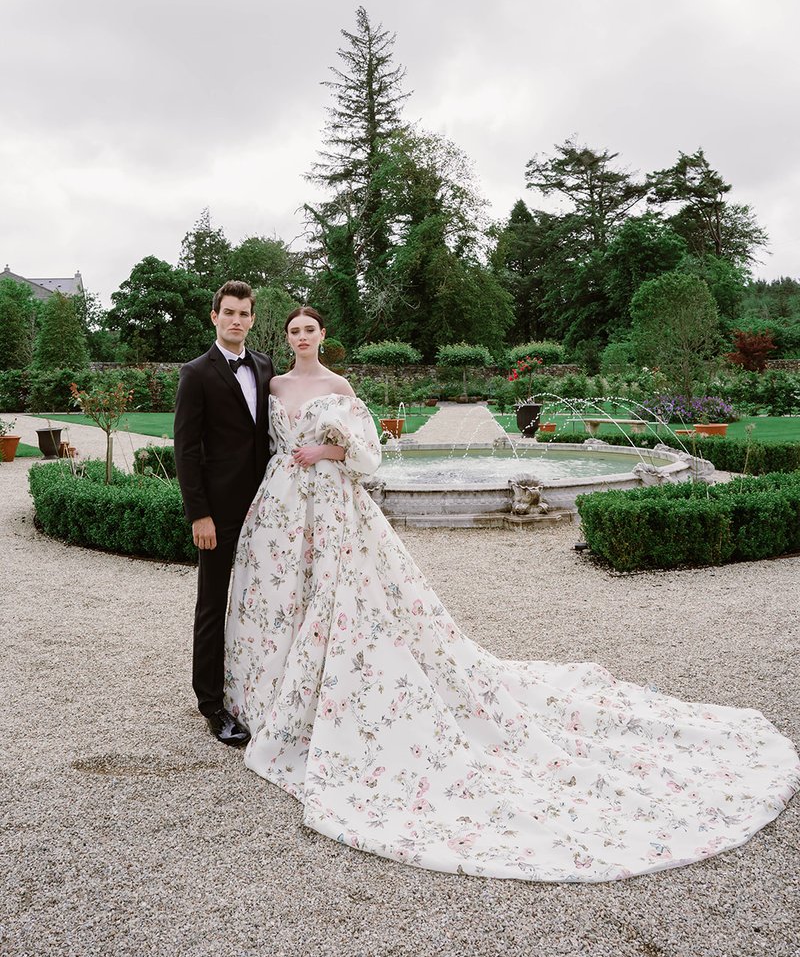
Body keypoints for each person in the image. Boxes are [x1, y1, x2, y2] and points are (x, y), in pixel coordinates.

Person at [224, 306, 800, 882]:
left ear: (323, 335)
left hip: (330, 505)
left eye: (310, 330)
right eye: (294, 330)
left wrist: (325, 452)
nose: (301, 337)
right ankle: (281, 693)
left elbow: (366, 452)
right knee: (279, 601)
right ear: (288, 337)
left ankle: (334, 693)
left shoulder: (338, 385)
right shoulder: (272, 381)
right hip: (280, 505)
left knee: (341, 601)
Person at [174, 280, 274, 745]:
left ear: (252, 319)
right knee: (213, 604)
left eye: (244, 313)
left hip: (268, 508)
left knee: (265, 600)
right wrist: (200, 515)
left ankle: (260, 691)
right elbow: (186, 450)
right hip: (218, 512)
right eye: (228, 312)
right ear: (214, 317)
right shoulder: (196, 373)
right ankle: (212, 705)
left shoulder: (265, 366)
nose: (237, 320)